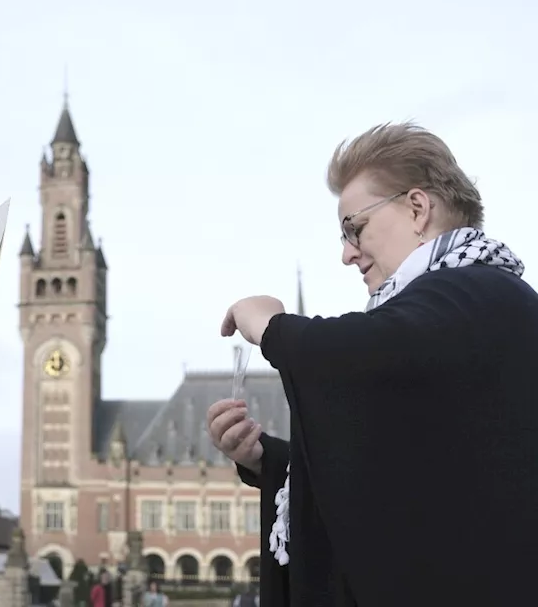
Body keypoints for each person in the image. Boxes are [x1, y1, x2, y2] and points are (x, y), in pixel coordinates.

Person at [208, 122, 538, 606]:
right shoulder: (463, 302)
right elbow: (404, 477)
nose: (346, 253)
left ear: (417, 208)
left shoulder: (475, 291)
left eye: (353, 228)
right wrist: (268, 459)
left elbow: (357, 357)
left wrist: (272, 326)